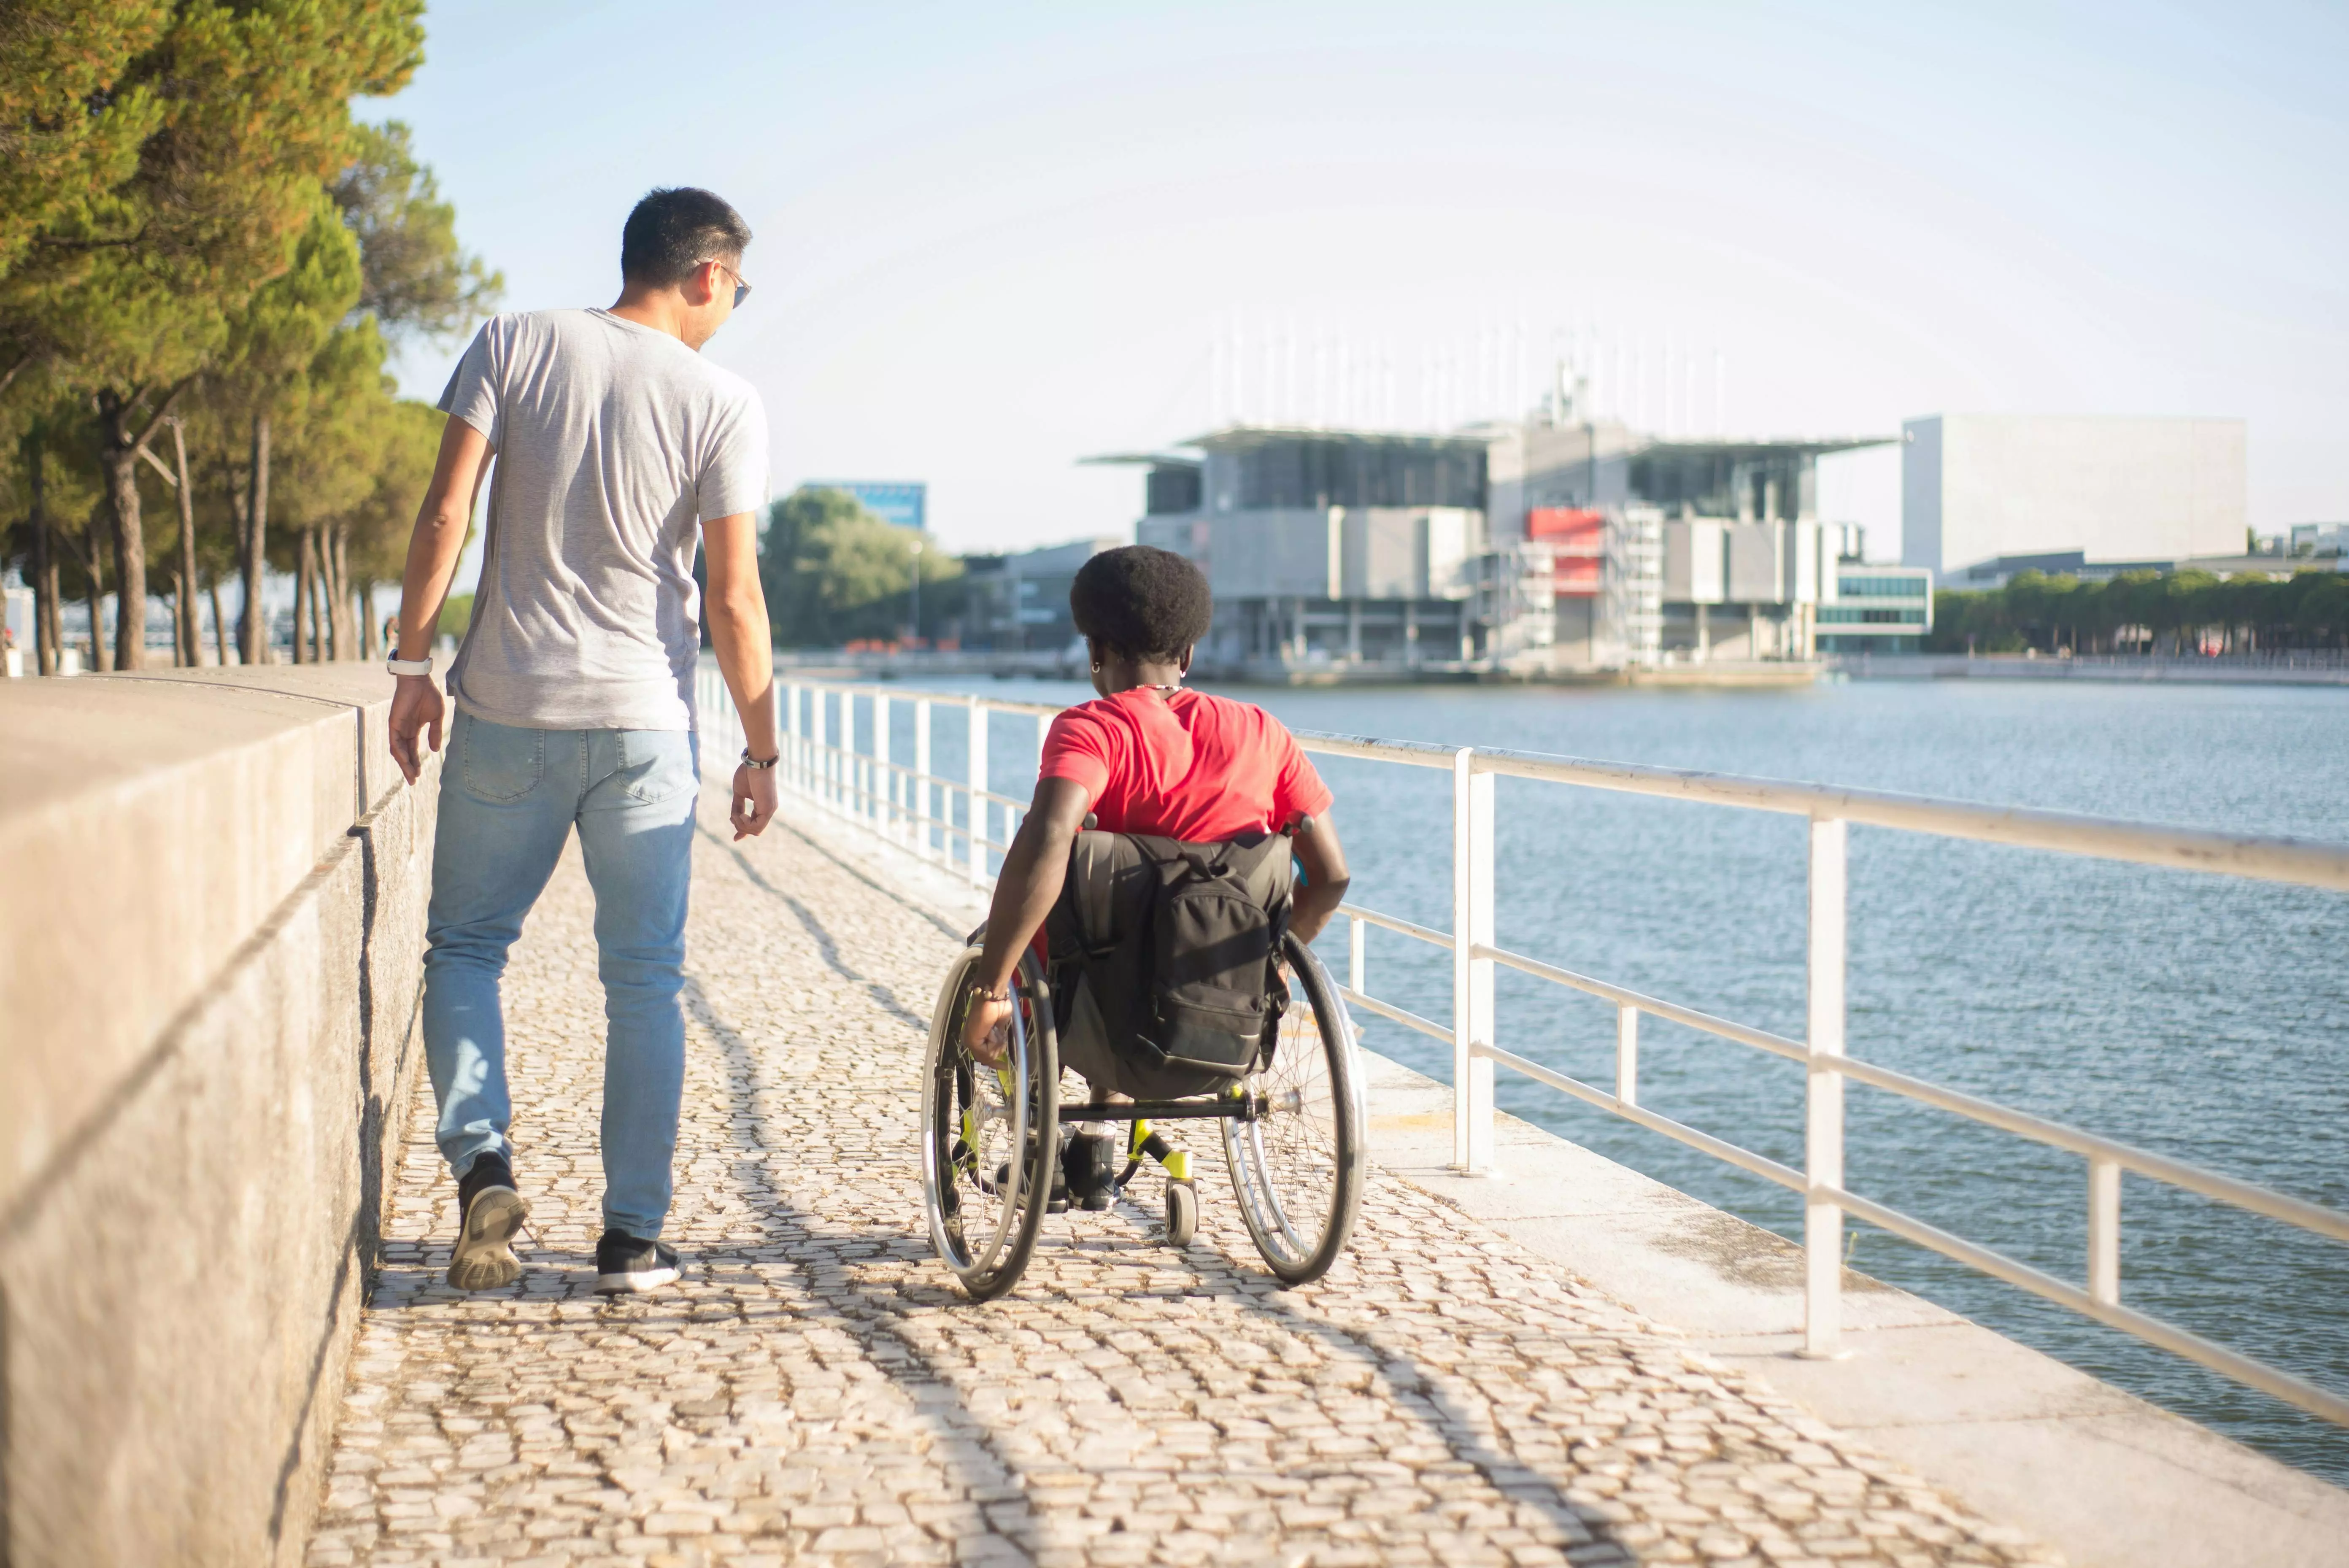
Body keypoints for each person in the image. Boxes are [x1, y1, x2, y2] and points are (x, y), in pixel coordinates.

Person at [386, 187, 780, 1296]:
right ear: (706, 274)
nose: (732, 310)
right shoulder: (724, 399)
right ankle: (631, 1240)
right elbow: (736, 599)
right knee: (644, 980)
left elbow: (442, 517)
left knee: (466, 950)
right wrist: (761, 751)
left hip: (509, 708)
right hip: (646, 724)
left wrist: (414, 670)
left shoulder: (513, 342)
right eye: (737, 292)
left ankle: (483, 1168)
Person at [959, 545, 1351, 1205]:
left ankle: (1043, 1140)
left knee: (1065, 916)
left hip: (1100, 1007)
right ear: (1188, 656)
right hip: (1224, 1000)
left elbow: (1051, 834)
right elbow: (1332, 877)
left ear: (1095, 651)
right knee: (1133, 922)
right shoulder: (1265, 733)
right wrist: (1273, 964)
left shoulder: (1094, 730)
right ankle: (1098, 1148)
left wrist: (991, 988)